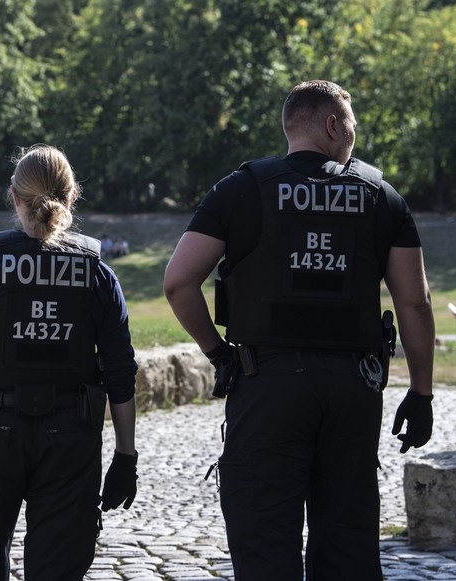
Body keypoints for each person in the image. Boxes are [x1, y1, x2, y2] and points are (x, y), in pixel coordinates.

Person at [163, 80, 435, 580]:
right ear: (332, 124)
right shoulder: (381, 196)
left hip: (267, 386)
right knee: (348, 543)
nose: (354, 135)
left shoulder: (241, 189)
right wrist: (421, 393)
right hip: (353, 389)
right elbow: (414, 302)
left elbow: (179, 283)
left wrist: (219, 353)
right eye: (351, 124)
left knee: (264, 539)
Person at [0, 144, 138, 580]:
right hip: (72, 438)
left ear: (13, 196)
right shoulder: (98, 273)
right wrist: (125, 455)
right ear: (72, 197)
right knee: (59, 568)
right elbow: (120, 373)